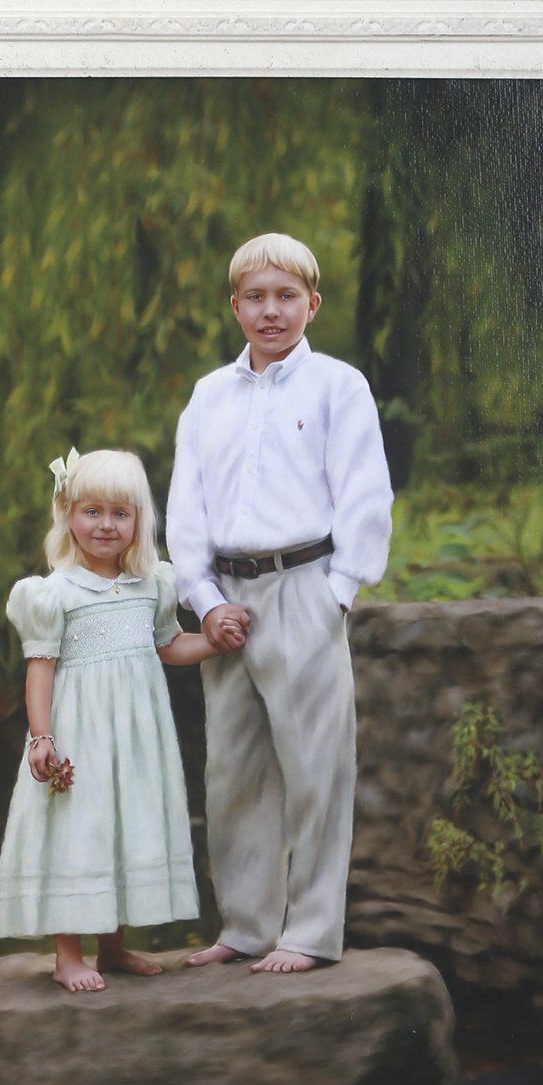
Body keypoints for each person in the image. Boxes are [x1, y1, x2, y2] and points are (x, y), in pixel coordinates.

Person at [166, 232, 393, 973]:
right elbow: (187, 504)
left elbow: (364, 492)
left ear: (312, 304)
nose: (271, 311)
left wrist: (338, 593)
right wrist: (201, 598)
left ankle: (312, 930)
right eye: (256, 297)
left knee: (314, 764)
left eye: (286, 297)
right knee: (232, 769)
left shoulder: (337, 386)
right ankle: (247, 922)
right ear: (235, 306)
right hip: (227, 596)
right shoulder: (209, 396)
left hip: (304, 586)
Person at [0, 447, 232, 993]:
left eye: (120, 514)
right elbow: (40, 670)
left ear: (139, 522)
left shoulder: (153, 585)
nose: (105, 525)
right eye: (92, 511)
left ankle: (113, 945)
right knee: (77, 830)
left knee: (125, 821)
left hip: (136, 735)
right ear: (69, 515)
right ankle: (66, 955)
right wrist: (42, 737)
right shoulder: (53, 594)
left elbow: (170, 647)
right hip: (79, 729)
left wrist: (214, 642)